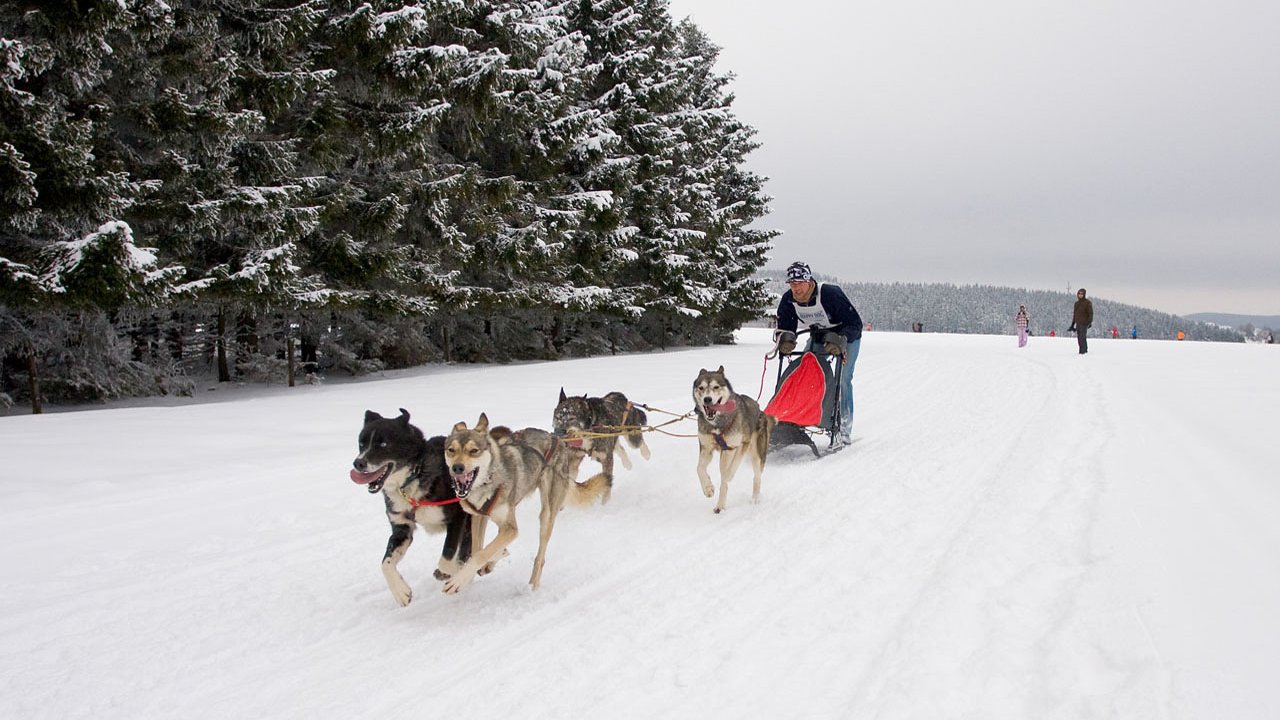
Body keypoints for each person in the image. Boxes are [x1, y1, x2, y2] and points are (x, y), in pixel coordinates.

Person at [775, 261, 863, 445]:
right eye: (792, 284)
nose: (796, 288)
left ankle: (843, 428)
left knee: (844, 379)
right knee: (804, 373)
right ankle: (797, 416)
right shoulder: (788, 300)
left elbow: (855, 324)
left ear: (809, 280)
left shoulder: (830, 294)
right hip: (819, 336)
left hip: (847, 336)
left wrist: (841, 340)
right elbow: (784, 327)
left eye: (799, 283)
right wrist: (785, 340)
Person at [1067, 288, 1092, 354]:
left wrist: (1089, 322)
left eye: (1082, 294)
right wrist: (1072, 324)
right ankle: (1082, 351)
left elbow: (1090, 313)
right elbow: (1075, 315)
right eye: (1079, 294)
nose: (1080, 295)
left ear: (1084, 294)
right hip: (1078, 323)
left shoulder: (1087, 303)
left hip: (1085, 323)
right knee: (1079, 338)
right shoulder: (1076, 304)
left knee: (1082, 337)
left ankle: (1083, 352)